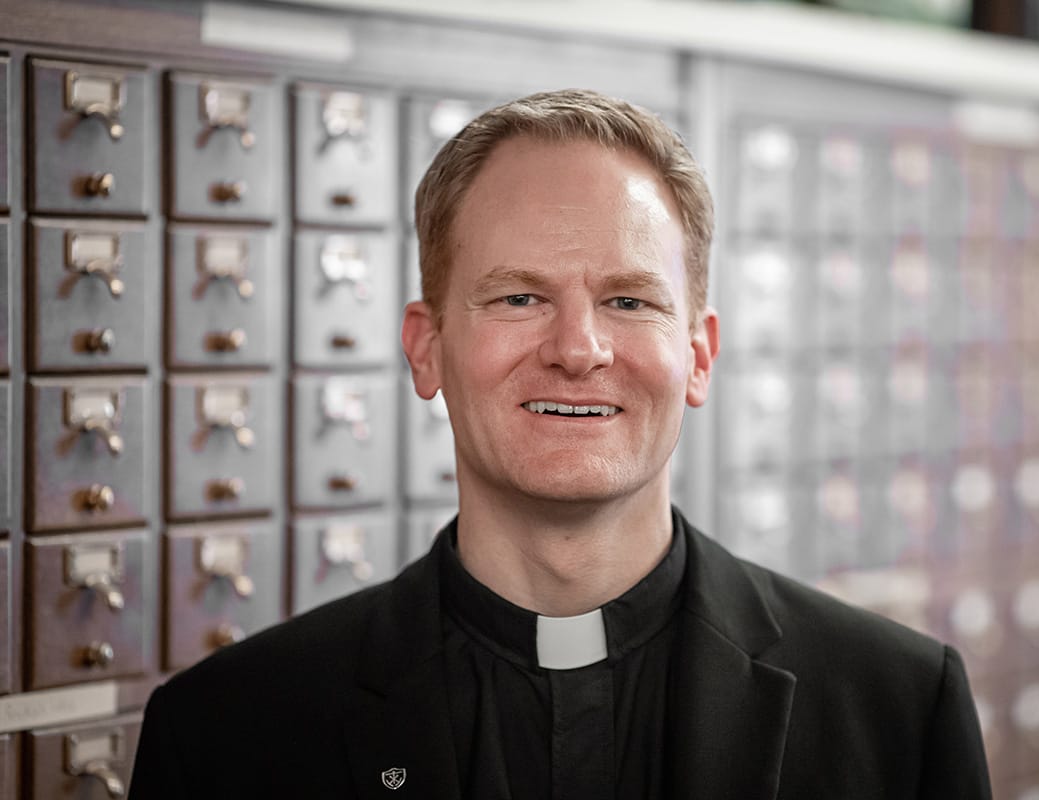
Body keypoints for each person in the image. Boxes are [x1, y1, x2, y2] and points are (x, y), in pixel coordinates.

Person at [129, 89, 991, 799]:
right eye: (519, 298)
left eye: (629, 301)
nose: (578, 350)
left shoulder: (899, 710)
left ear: (698, 356)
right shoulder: (226, 736)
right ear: (427, 348)